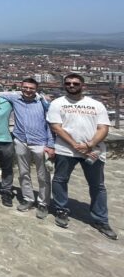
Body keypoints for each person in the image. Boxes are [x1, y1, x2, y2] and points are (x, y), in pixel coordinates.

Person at [47, 73, 116, 240]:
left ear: (82, 85)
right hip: (66, 150)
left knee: (97, 185)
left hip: (93, 151)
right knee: (60, 180)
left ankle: (101, 220)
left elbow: (103, 128)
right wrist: (75, 145)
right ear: (64, 85)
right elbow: (56, 127)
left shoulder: (96, 105)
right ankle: (61, 210)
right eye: (68, 83)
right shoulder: (57, 103)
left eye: (75, 83)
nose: (71, 85)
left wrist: (89, 145)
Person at [0, 78, 54, 218]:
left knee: (43, 176)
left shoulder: (43, 102)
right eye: (25, 87)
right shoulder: (15, 98)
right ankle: (28, 198)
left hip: (40, 143)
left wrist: (50, 144)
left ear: (36, 89)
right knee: (23, 173)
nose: (28, 90)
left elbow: (50, 124)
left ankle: (43, 203)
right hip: (21, 141)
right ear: (21, 87)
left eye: (31, 88)